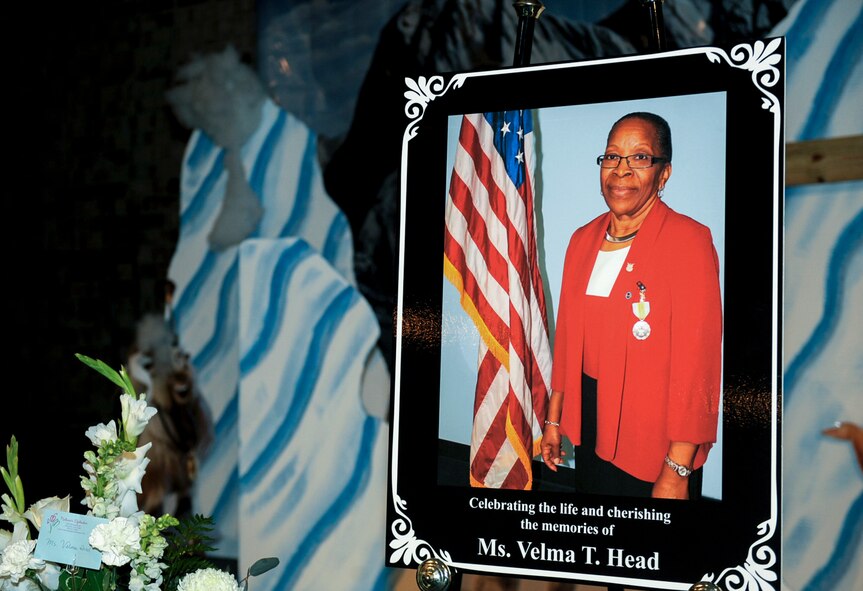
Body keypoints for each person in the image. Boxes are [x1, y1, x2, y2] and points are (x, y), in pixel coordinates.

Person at [540, 112, 723, 500]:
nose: (621, 170)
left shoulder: (689, 241)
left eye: (640, 157)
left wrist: (677, 470)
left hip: (655, 440)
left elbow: (698, 366)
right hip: (591, 423)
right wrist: (554, 419)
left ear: (664, 173)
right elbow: (569, 340)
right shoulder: (581, 240)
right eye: (611, 156)